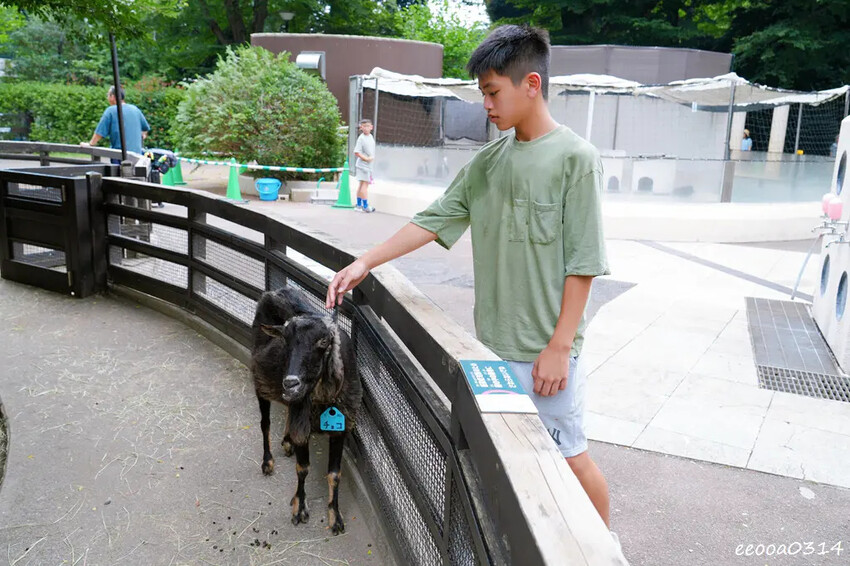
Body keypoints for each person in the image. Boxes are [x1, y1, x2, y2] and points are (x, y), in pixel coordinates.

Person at [327, 25, 616, 534]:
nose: (486, 104)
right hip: (493, 348)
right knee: (512, 462)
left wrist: (560, 345)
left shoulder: (577, 159)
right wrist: (366, 260)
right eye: (482, 93)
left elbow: (584, 263)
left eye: (492, 92)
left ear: (531, 83)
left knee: (570, 456)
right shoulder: (487, 163)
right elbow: (432, 219)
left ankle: (604, 547)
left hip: (547, 350)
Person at [82, 86, 150, 165]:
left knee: (118, 175)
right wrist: (142, 135)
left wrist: (90, 144)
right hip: (137, 156)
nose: (107, 98)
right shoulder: (135, 109)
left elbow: (99, 133)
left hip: (119, 156)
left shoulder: (111, 110)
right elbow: (145, 129)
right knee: (135, 176)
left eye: (108, 95)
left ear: (113, 97)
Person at [353, 119, 376, 212]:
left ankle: (358, 205)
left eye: (368, 126)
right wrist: (366, 159)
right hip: (363, 166)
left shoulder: (370, 136)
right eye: (364, 126)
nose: (366, 128)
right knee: (364, 186)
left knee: (362, 184)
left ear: (371, 127)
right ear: (361, 128)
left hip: (368, 166)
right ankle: (365, 206)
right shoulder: (361, 138)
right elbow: (356, 152)